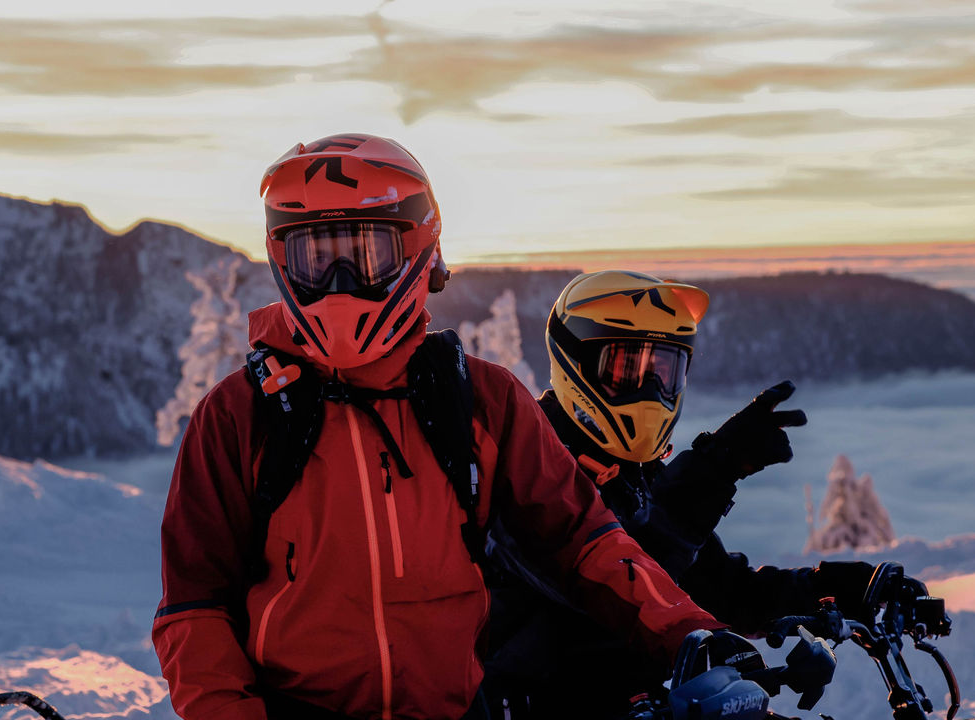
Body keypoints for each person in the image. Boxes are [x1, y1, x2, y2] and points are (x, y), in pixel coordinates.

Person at [151, 136, 726, 720]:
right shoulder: (239, 414)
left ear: (419, 250)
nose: (341, 283)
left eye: (366, 253)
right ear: (283, 261)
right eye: (317, 260)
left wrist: (689, 632)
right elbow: (194, 607)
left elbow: (584, 540)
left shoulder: (480, 399)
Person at [483, 270, 929, 717]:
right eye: (626, 369)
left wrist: (843, 588)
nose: (651, 390)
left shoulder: (634, 475)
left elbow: (722, 590)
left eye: (664, 371)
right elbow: (625, 588)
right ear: (573, 363)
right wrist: (715, 468)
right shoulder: (526, 470)